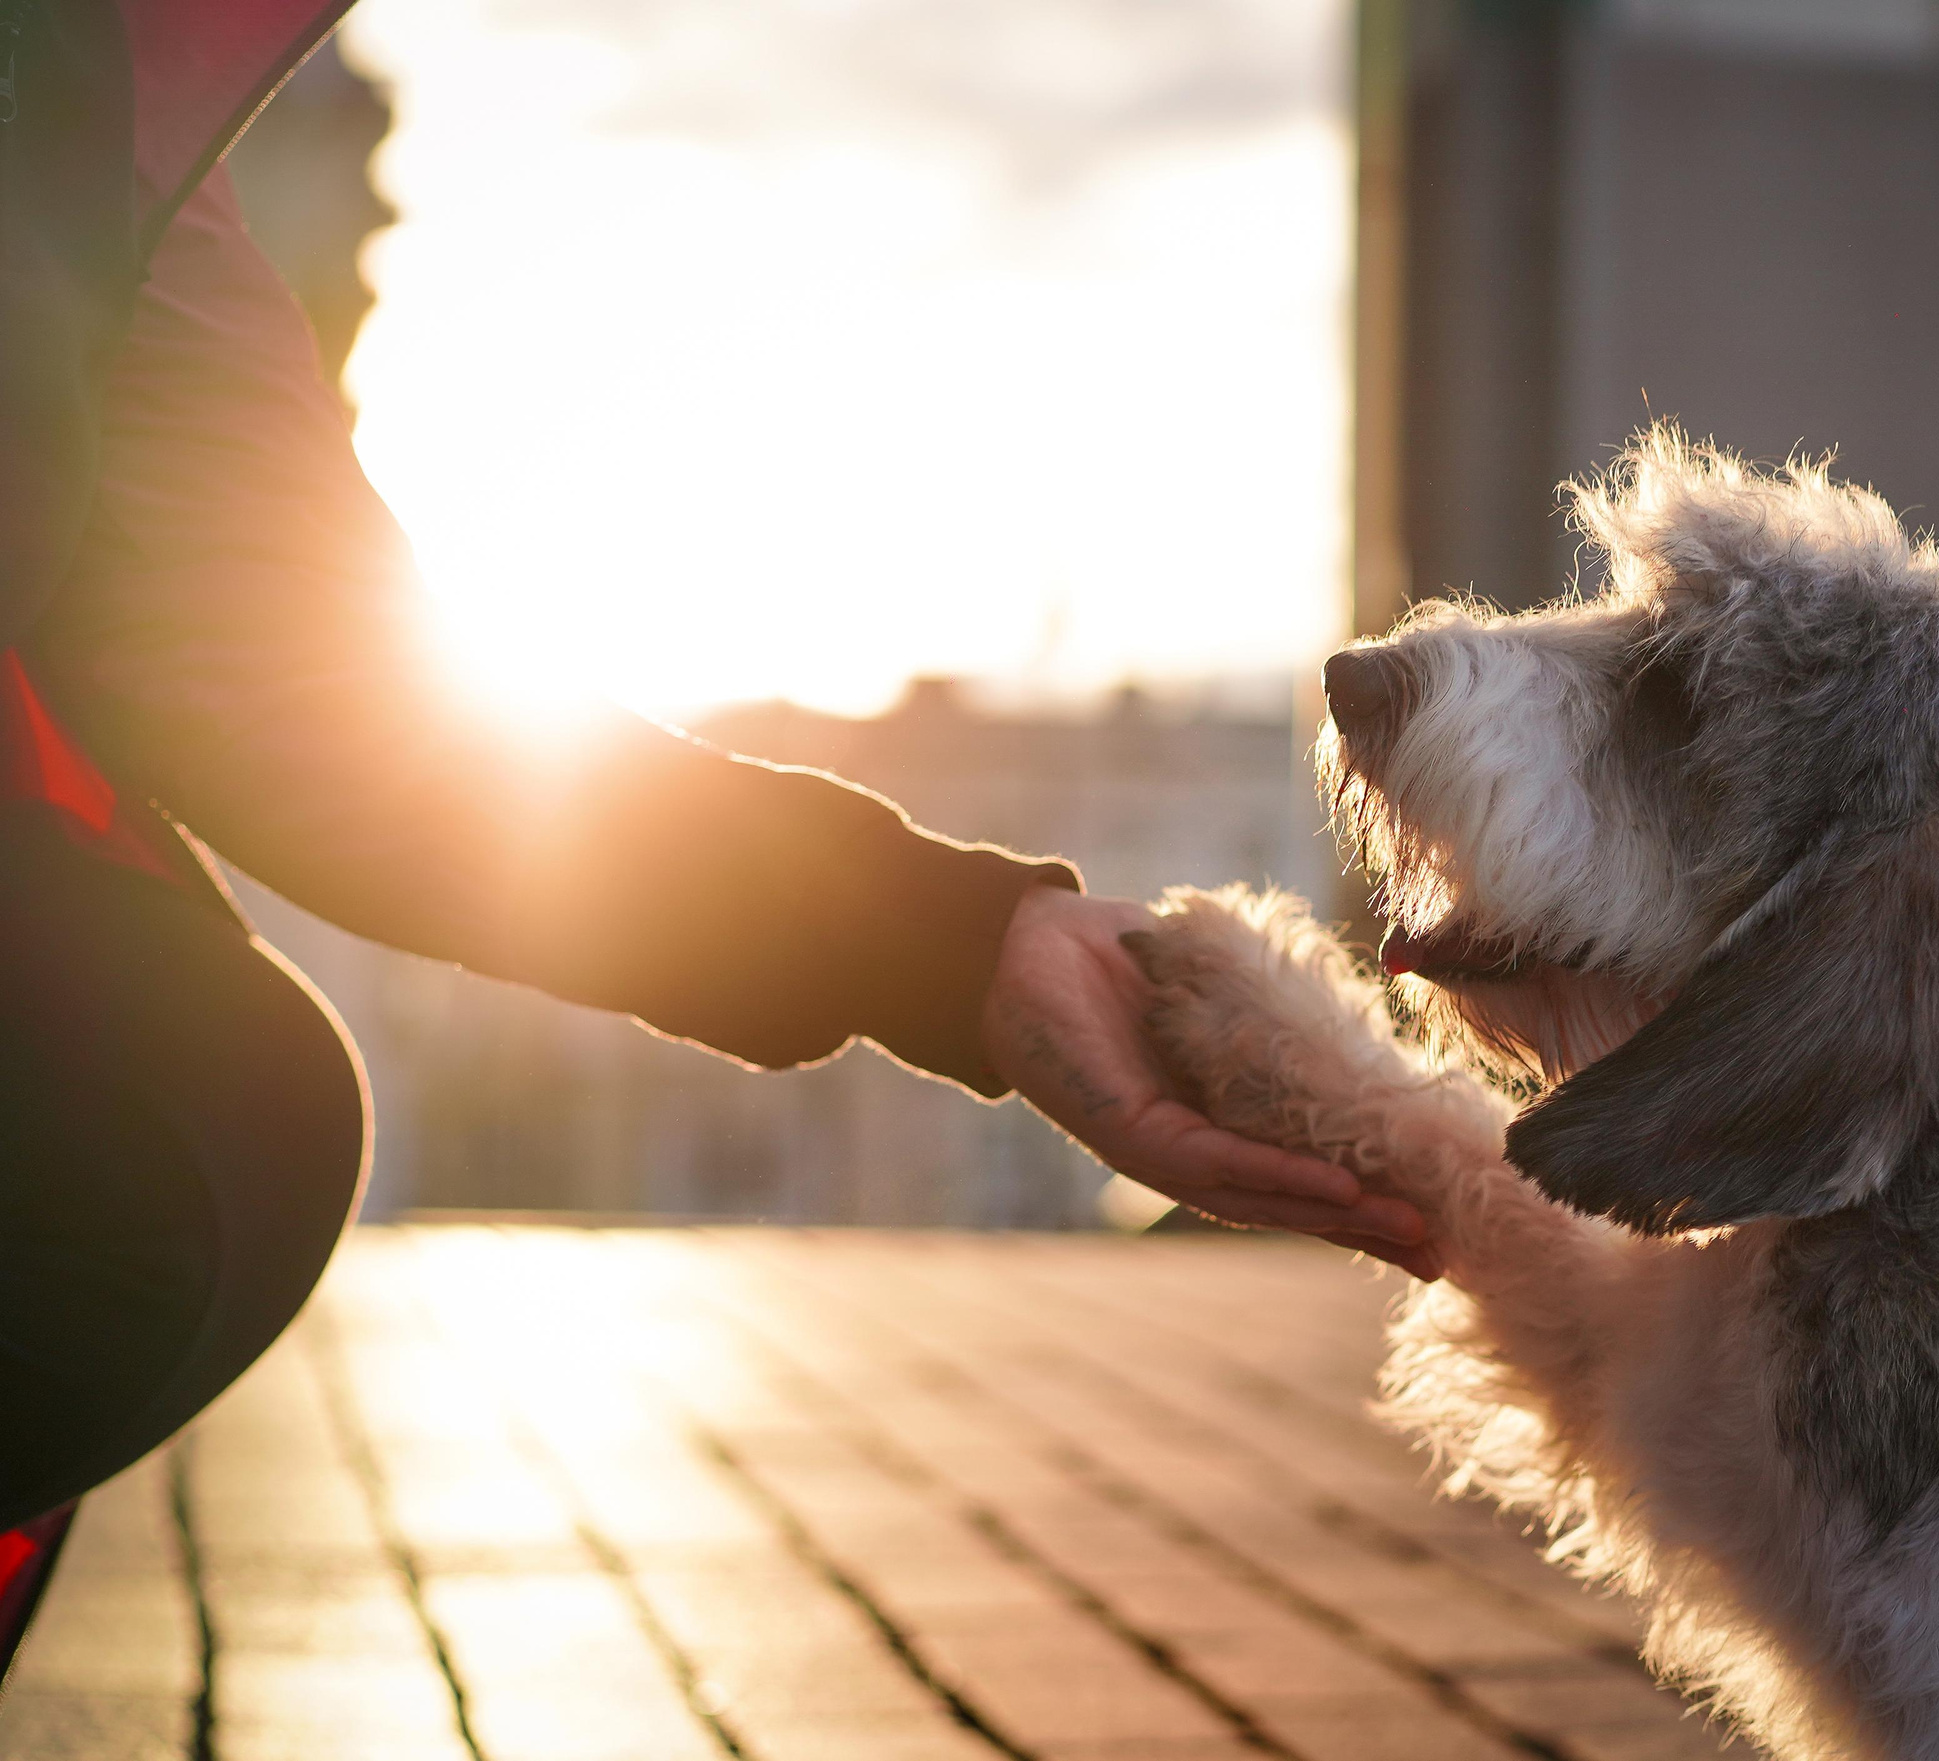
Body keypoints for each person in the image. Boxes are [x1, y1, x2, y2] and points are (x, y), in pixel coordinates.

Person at [0, 0, 1432, 1669]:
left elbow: (302, 680)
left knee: (195, 1099)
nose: (378, 201)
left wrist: (962, 945)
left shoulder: (100, 111)